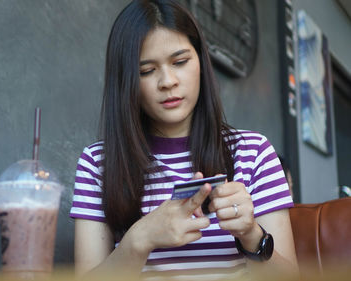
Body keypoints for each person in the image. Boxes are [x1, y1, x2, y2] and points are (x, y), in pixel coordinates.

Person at [69, 0, 298, 279]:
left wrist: (251, 234)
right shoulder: (98, 163)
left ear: (201, 61)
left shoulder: (254, 153)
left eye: (179, 62)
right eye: (146, 70)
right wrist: (139, 239)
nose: (167, 81)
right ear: (126, 79)